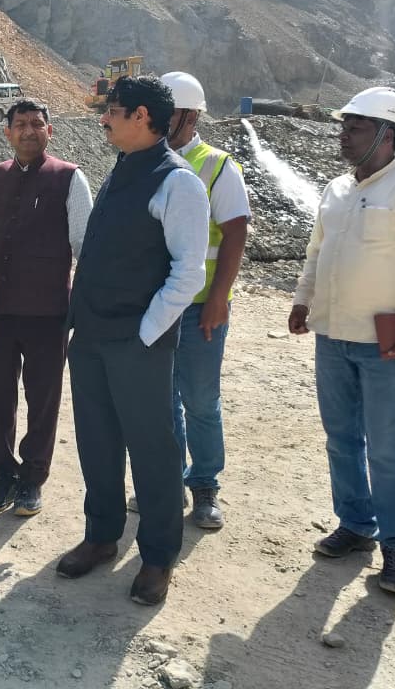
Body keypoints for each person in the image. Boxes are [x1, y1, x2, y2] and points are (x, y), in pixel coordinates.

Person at [289, 87, 395, 597]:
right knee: (341, 440)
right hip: (332, 337)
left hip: (387, 346)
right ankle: (355, 525)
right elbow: (317, 252)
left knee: (387, 449)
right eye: (344, 126)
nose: (344, 134)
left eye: (356, 127)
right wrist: (302, 300)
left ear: (389, 134)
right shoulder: (335, 189)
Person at [55, 75, 209, 607]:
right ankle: (102, 537)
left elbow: (188, 273)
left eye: (113, 111)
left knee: (152, 450)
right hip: (92, 336)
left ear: (142, 116)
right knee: (97, 440)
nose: (103, 119)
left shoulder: (178, 183)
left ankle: (158, 557)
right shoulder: (123, 169)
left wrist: (145, 335)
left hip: (137, 342)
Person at [0, 99, 92, 518]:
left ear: (49, 131)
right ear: (7, 132)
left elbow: (85, 247)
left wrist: (83, 311)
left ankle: (32, 480)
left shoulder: (69, 178)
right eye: (21, 124)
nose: (29, 131)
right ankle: (1, 476)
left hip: (48, 314)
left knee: (43, 400)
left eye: (37, 124)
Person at [160, 72, 251, 530]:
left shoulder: (216, 166)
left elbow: (235, 232)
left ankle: (205, 485)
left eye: (168, 112)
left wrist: (219, 299)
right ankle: (168, 481)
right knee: (162, 401)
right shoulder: (147, 161)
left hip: (199, 309)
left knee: (199, 400)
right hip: (159, 307)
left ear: (190, 116)